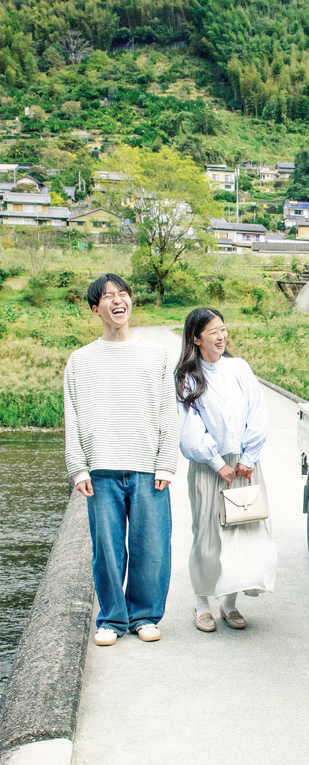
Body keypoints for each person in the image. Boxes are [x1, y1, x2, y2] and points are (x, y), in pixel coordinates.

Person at [64, 274, 178, 646]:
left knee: (152, 548)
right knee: (107, 551)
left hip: (147, 467)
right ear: (94, 308)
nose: (118, 300)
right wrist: (78, 467)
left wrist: (166, 462)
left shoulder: (156, 355)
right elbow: (72, 415)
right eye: (108, 296)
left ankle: (144, 615)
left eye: (123, 294)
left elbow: (168, 411)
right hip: (101, 468)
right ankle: (112, 619)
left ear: (131, 301)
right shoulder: (80, 360)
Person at [175, 308, 276, 632]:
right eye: (213, 332)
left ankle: (229, 603)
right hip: (209, 467)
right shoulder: (188, 377)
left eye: (223, 329)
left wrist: (248, 457)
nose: (221, 337)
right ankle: (202, 603)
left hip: (245, 465)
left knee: (243, 531)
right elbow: (189, 429)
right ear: (196, 338)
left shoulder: (239, 368)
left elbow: (257, 413)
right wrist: (218, 463)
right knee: (207, 536)